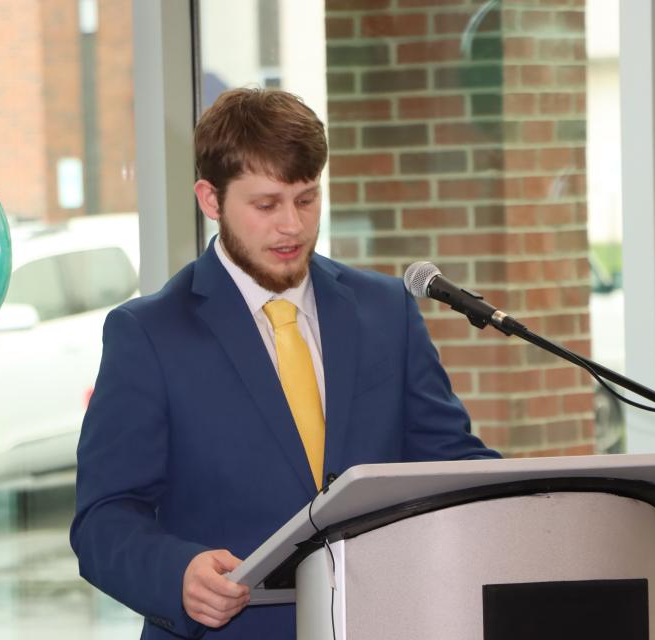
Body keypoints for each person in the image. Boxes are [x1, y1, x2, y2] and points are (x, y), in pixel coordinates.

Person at [70, 88, 500, 639]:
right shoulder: (149, 334)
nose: (292, 226)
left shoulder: (386, 309)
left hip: (385, 621)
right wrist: (177, 573)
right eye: (267, 204)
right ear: (210, 199)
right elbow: (104, 519)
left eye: (306, 199)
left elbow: (451, 464)